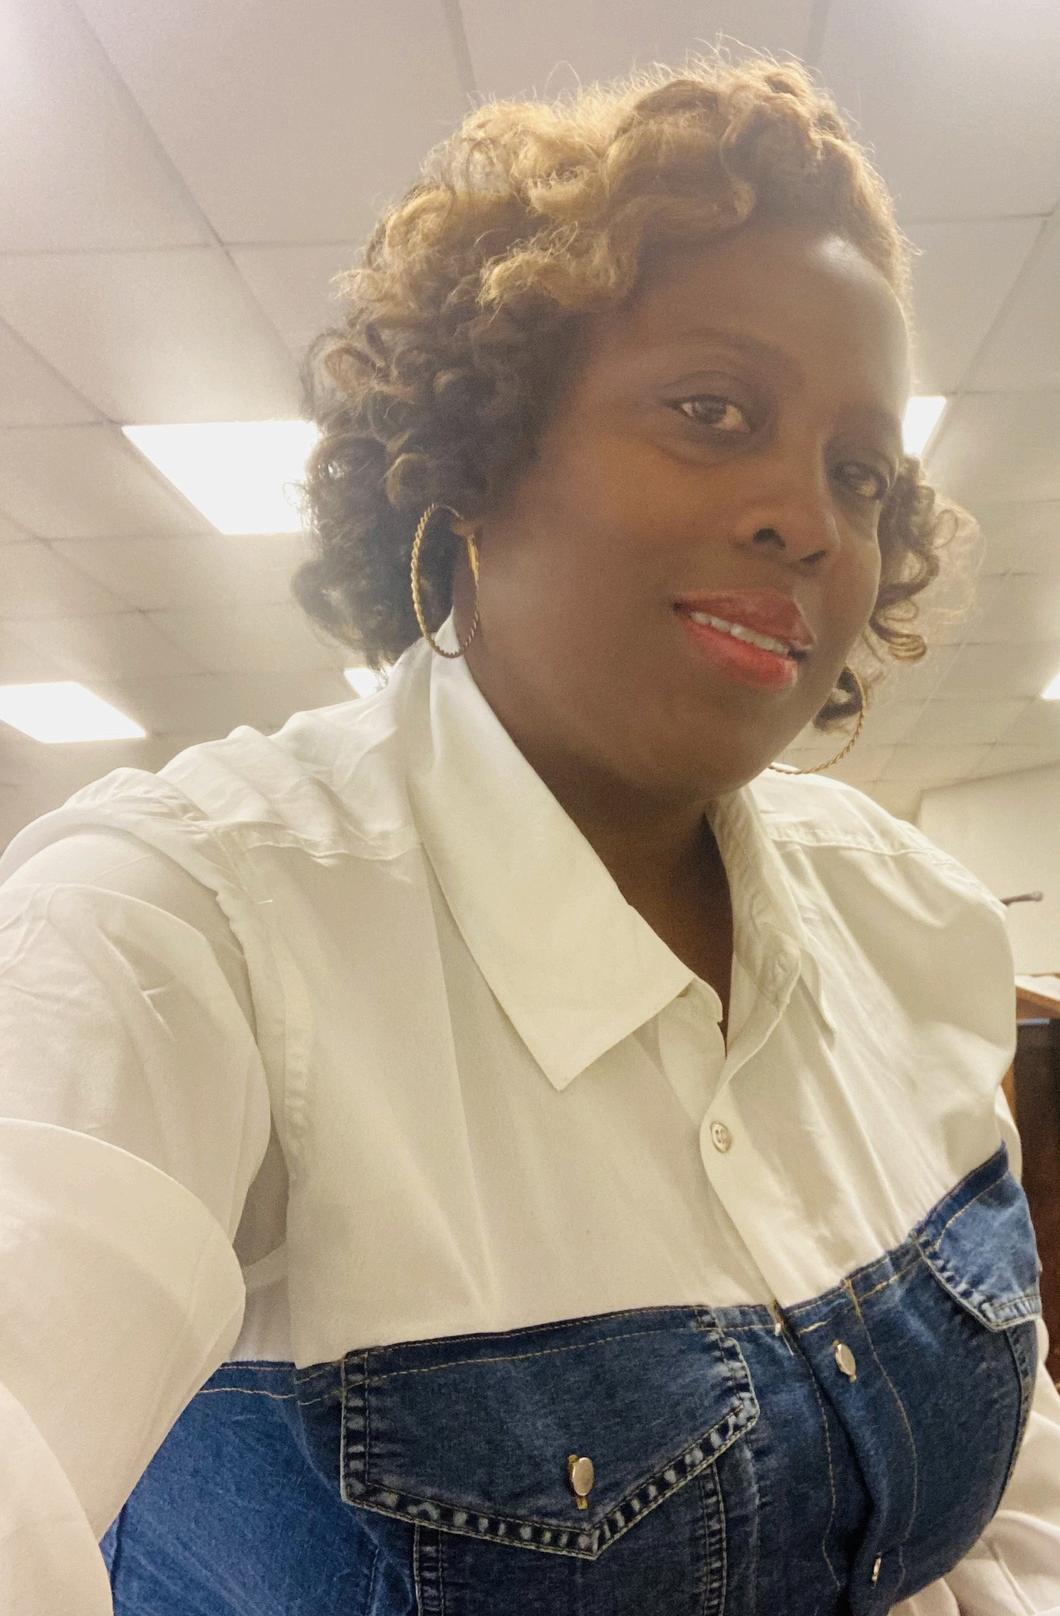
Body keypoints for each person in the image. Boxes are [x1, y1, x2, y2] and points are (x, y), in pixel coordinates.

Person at [1, 46, 1058, 1616]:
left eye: (860, 474)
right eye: (712, 411)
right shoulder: (185, 927)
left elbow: (1006, 1467)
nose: (810, 518)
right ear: (477, 453)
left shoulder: (915, 921)